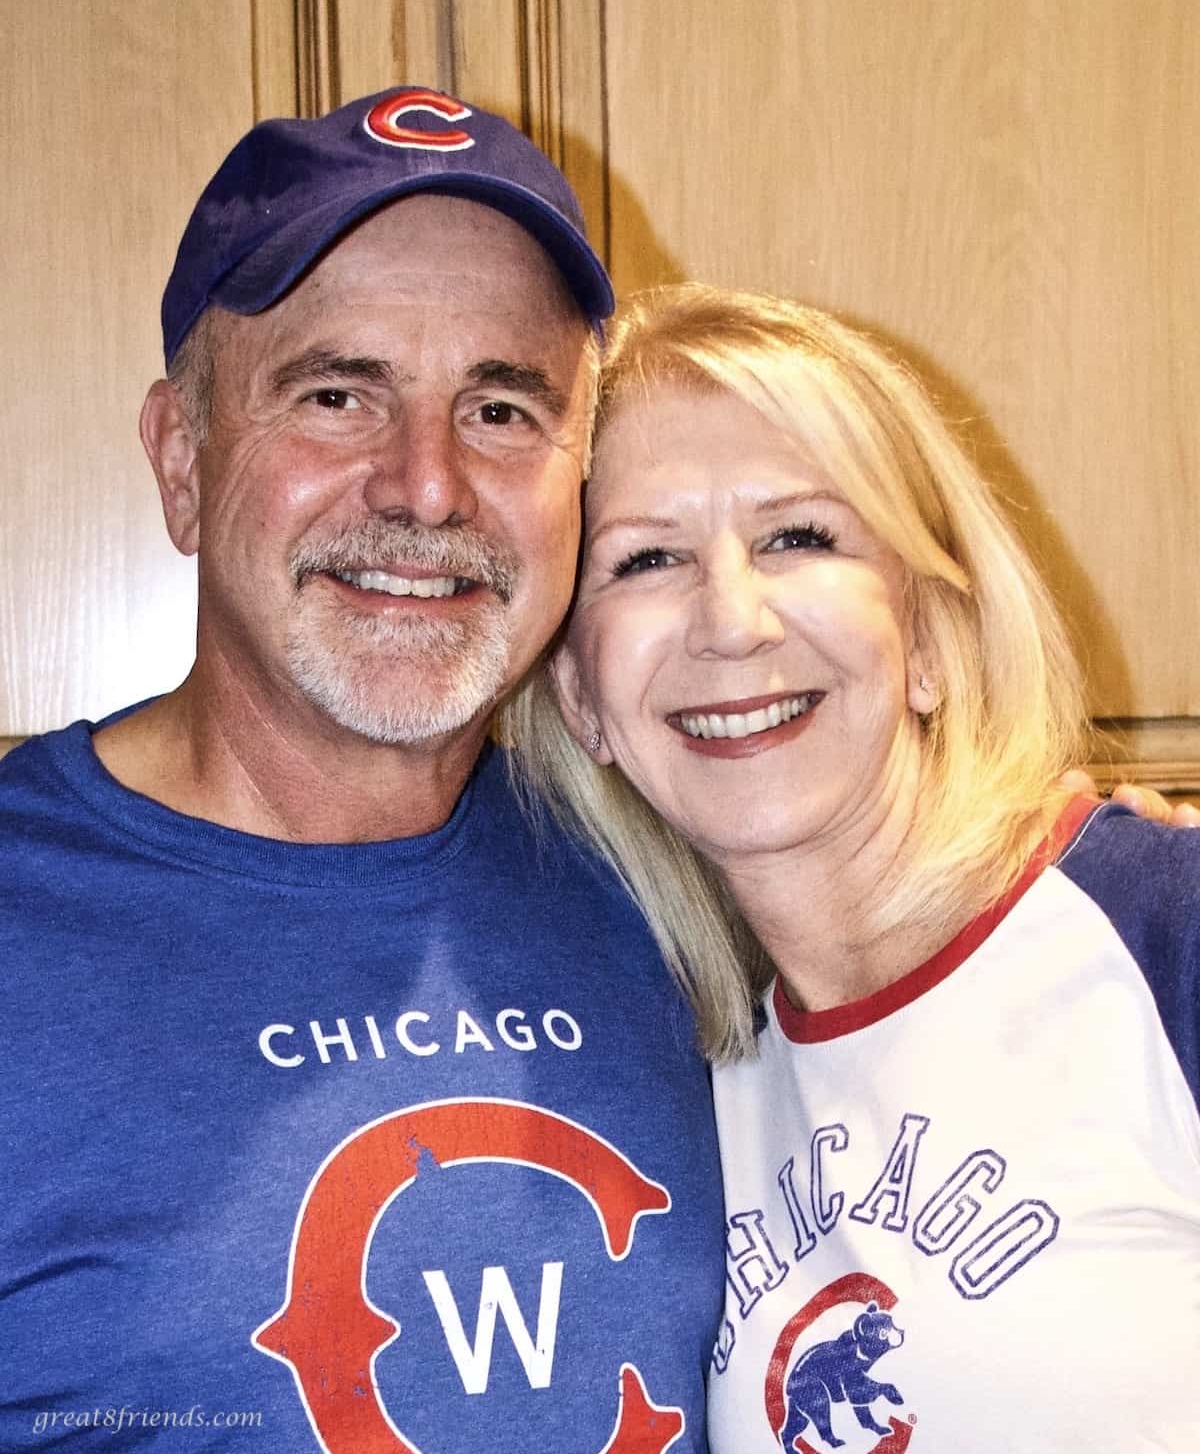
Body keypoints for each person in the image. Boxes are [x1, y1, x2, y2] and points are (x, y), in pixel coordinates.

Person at [0, 91, 725, 1452]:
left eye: (502, 409)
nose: (428, 487)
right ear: (180, 459)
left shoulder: (676, 868)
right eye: (337, 395)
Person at [504, 284, 1200, 1451]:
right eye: (646, 559)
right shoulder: (680, 1070)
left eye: (799, 536)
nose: (733, 620)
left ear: (929, 633)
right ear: (583, 698)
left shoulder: (1161, 936)